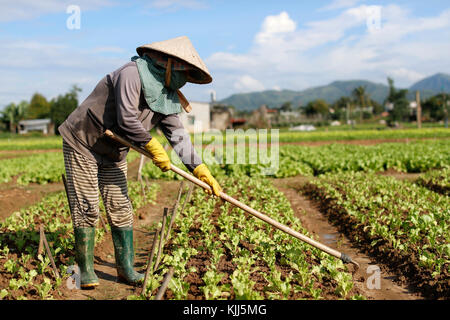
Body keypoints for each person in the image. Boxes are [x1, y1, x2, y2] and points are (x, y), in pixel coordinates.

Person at [58, 36, 222, 289]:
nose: (185, 80)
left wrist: (199, 168)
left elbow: (177, 134)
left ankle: (125, 269)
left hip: (115, 151)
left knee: (121, 206)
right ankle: (85, 269)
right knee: (87, 205)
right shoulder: (131, 74)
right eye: (185, 73)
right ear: (170, 65)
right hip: (83, 140)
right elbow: (126, 119)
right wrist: (153, 146)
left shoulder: (167, 94)